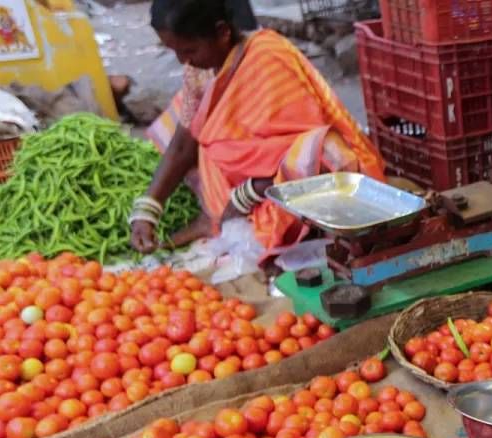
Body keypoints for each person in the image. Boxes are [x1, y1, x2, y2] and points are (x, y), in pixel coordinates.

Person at [129, 0, 384, 254]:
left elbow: (311, 153)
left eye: (190, 50)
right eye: (174, 51)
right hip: (250, 178)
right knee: (187, 125)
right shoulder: (199, 72)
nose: (183, 60)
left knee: (319, 168)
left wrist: (245, 195)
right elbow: (184, 142)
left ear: (222, 32)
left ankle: (241, 220)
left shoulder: (268, 57)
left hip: (299, 179)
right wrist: (148, 209)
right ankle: (216, 215)